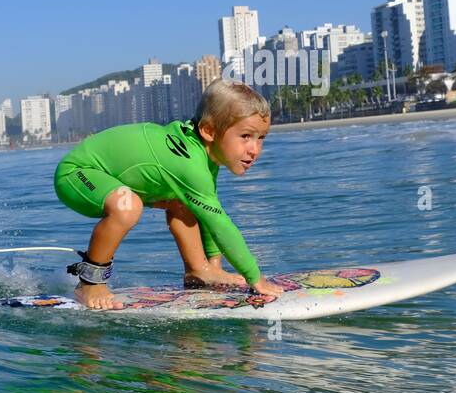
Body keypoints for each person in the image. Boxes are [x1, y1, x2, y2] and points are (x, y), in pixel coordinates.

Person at [53, 79, 284, 310]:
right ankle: (90, 282)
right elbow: (220, 224)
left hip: (107, 176)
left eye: (260, 138)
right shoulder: (190, 166)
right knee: (128, 205)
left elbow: (208, 211)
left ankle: (199, 271)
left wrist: (214, 266)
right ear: (209, 131)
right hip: (77, 174)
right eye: (245, 136)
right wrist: (255, 277)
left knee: (183, 201)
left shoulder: (201, 153)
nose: (254, 150)